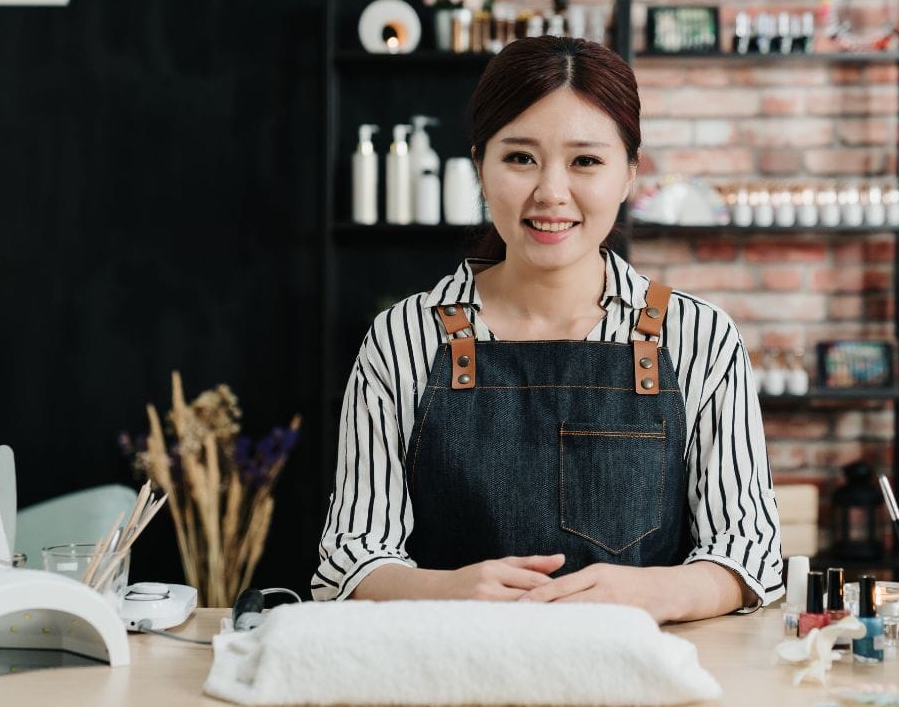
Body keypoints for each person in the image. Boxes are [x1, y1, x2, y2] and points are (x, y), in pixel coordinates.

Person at [313, 36, 783, 622]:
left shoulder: (701, 337)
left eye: (585, 160)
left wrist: (655, 594)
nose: (551, 194)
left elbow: (751, 556)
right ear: (480, 166)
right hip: (446, 675)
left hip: (640, 684)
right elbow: (349, 561)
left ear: (630, 174)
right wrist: (447, 591)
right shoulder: (403, 338)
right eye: (520, 158)